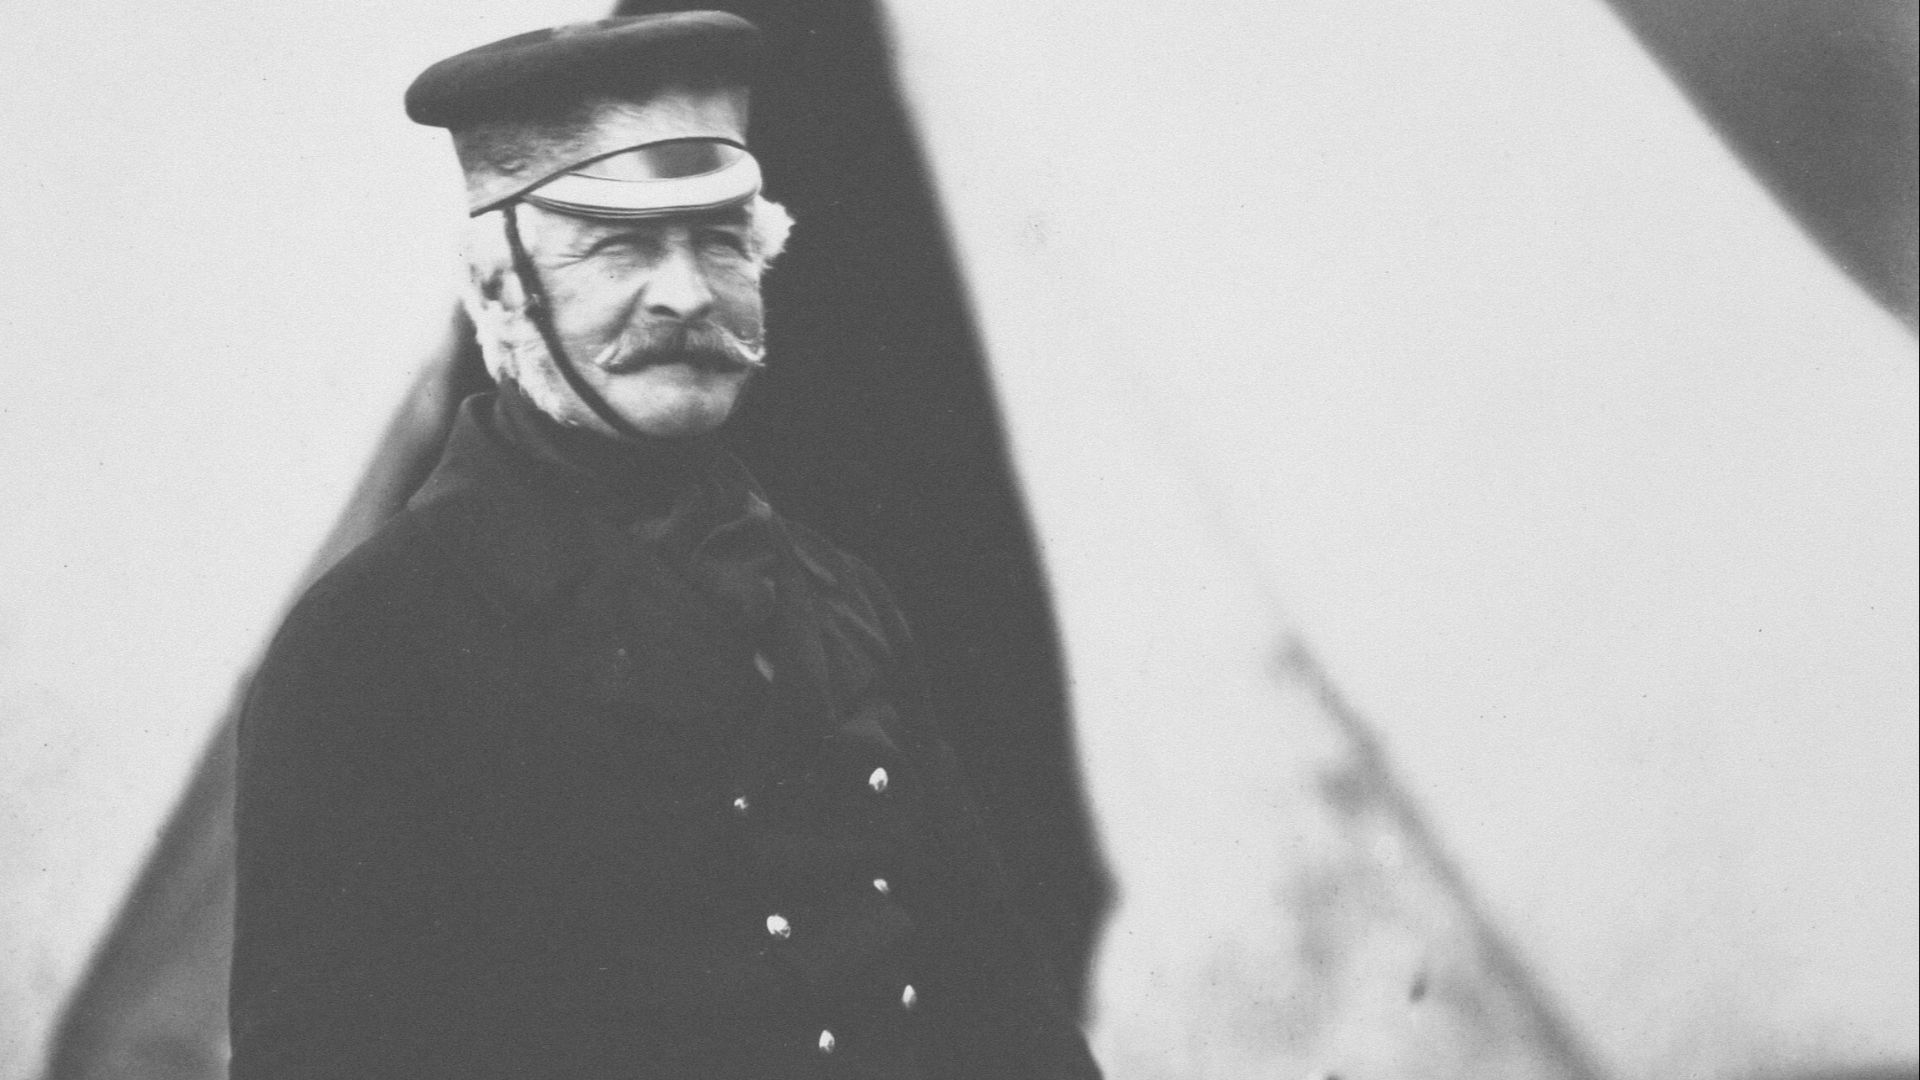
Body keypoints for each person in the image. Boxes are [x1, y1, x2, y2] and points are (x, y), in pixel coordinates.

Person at [227, 12, 1102, 1079]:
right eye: (624, 245)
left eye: (723, 239)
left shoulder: (844, 603)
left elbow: (1006, 1015)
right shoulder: (374, 641)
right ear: (502, 287)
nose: (688, 293)